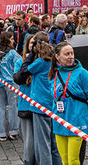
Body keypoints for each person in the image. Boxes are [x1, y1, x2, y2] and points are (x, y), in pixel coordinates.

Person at [16, 34, 63, 165]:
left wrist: (30, 55)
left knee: (42, 144)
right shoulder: (53, 60)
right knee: (54, 144)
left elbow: (23, 72)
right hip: (52, 104)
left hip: (40, 105)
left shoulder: (40, 62)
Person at [50, 41, 88, 165]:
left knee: (73, 161)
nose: (71, 56)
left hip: (78, 123)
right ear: (57, 56)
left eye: (72, 53)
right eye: (67, 54)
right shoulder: (54, 73)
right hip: (60, 123)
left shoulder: (82, 73)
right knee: (64, 160)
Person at [0, 31, 22, 141]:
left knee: (0, 108)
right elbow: (19, 65)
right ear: (7, 40)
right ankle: (13, 131)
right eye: (12, 39)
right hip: (11, 83)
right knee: (13, 107)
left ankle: (1, 133)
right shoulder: (12, 53)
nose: (13, 41)